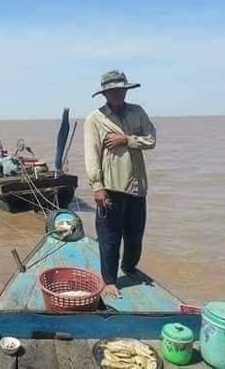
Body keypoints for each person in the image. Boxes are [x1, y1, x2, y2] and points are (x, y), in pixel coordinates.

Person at [84, 70, 156, 299]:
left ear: (126, 90)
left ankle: (129, 267)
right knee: (109, 237)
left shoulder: (138, 112)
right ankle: (109, 281)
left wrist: (127, 140)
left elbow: (151, 139)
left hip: (137, 187)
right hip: (111, 187)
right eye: (112, 91)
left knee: (135, 235)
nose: (117, 94)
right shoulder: (95, 119)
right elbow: (91, 154)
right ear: (105, 94)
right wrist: (97, 186)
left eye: (121, 89)